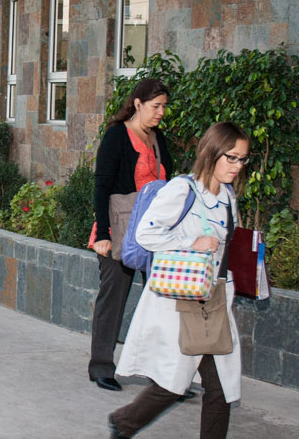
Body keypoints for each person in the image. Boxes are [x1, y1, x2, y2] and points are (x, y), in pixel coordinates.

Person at [108, 122, 250, 438]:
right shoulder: (182, 190)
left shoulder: (227, 196)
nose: (237, 166)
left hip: (214, 299)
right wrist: (191, 242)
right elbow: (146, 233)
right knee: (175, 382)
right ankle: (124, 422)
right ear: (212, 153)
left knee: (221, 386)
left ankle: (125, 422)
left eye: (242, 160)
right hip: (183, 301)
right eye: (231, 158)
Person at [90, 78, 172, 391]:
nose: (161, 112)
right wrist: (103, 233)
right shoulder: (117, 136)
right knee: (113, 298)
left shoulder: (158, 138)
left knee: (160, 300)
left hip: (155, 232)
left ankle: (163, 373)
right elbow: (101, 186)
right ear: (137, 104)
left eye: (164, 106)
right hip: (119, 229)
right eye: (156, 106)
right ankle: (101, 366)